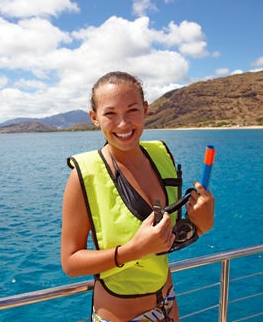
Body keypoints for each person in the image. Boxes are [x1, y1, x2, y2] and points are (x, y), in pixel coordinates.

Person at [61, 71, 215, 322]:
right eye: (110, 114)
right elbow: (70, 262)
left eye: (132, 110)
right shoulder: (84, 175)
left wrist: (200, 226)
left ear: (145, 110)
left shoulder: (161, 156)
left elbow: (164, 243)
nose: (123, 124)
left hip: (168, 301)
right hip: (120, 314)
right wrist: (132, 250)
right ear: (94, 118)